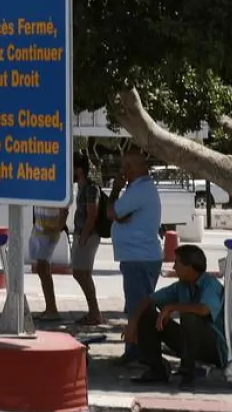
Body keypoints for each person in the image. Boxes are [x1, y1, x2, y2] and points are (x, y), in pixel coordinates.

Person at [124, 244, 228, 388]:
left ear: (189, 268)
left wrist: (172, 307)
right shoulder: (181, 286)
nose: (174, 267)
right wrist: (132, 324)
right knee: (148, 313)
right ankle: (156, 369)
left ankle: (187, 372)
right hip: (188, 342)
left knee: (190, 316)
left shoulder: (210, 285)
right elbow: (147, 300)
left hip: (212, 347)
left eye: (177, 263)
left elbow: (204, 310)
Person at [110, 149, 164, 363]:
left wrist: (115, 189)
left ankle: (137, 352)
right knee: (138, 305)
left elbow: (112, 212)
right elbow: (120, 215)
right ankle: (139, 350)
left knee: (138, 308)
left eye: (127, 166)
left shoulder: (140, 190)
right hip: (138, 255)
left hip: (139, 257)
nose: (124, 171)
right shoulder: (138, 189)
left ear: (135, 167)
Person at [71, 153, 104, 325]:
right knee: (83, 274)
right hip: (82, 234)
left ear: (79, 170)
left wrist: (83, 236)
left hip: (88, 236)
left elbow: (92, 214)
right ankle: (93, 312)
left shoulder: (91, 188)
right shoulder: (81, 187)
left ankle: (95, 312)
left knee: (80, 273)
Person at [29, 196, 70, 322]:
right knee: (41, 269)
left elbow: (64, 211)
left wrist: (56, 229)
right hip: (39, 229)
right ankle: (50, 308)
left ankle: (52, 309)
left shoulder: (58, 190)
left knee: (43, 268)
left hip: (49, 232)